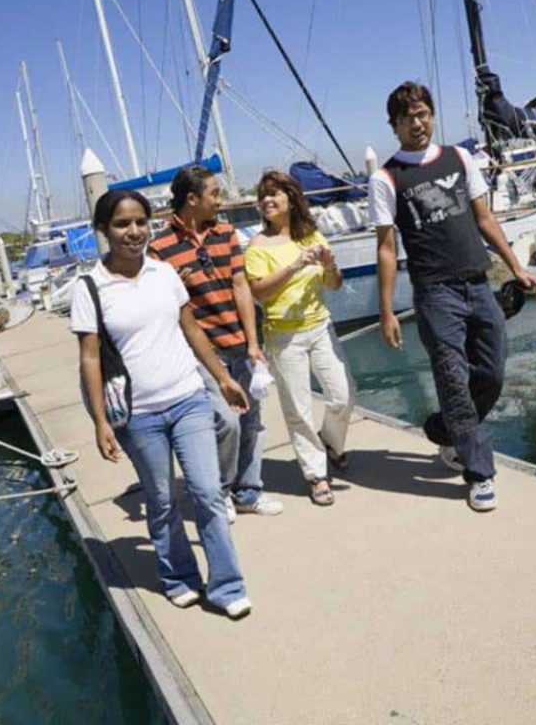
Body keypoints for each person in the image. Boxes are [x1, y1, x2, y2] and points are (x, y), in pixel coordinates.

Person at [71, 189, 252, 619]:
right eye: (122, 224)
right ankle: (179, 578)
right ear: (103, 229)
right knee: (163, 498)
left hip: (188, 398)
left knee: (207, 492)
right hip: (139, 415)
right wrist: (100, 422)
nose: (134, 231)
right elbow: (90, 358)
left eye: (140, 222)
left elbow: (192, 330)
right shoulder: (90, 287)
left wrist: (223, 378)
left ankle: (227, 585)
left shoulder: (165, 272)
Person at [370, 81, 536, 513]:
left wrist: (516, 267)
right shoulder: (386, 178)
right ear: (394, 125)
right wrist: (387, 310)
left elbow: (485, 219)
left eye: (423, 114)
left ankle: (445, 430)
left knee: (492, 373)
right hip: (435, 293)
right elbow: (386, 248)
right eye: (408, 118)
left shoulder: (460, 159)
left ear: (431, 115)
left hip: (477, 283)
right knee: (452, 381)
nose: (417, 123)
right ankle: (479, 473)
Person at [148, 166, 283, 520]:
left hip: (239, 341)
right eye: (215, 194)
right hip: (201, 352)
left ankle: (248, 491)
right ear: (192, 199)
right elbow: (157, 305)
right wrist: (173, 285)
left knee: (252, 421)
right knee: (226, 421)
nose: (220, 200)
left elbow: (241, 287)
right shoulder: (159, 249)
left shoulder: (226, 233)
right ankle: (220, 491)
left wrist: (252, 342)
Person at [244, 170, 356, 507]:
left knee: (343, 394)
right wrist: (294, 266)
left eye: (274, 194)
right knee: (298, 409)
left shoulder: (312, 236)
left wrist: (331, 266)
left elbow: (333, 284)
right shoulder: (257, 246)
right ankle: (316, 474)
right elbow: (259, 292)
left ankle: (331, 442)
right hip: (284, 336)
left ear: (291, 199)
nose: (267, 200)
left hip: (320, 327)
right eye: (263, 196)